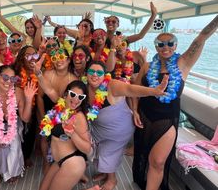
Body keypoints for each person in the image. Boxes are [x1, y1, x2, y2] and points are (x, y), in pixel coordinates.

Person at [132, 14, 218, 190]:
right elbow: (135, 89)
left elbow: (200, 38)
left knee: (157, 161)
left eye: (170, 43)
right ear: (156, 46)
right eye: (161, 44)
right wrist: (134, 111)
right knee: (145, 155)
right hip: (145, 117)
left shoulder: (183, 63)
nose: (166, 47)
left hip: (167, 121)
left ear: (176, 45)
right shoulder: (148, 66)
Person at [85, 61, 168, 190]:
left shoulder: (112, 85)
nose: (95, 75)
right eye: (91, 71)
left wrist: (154, 91)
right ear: (86, 74)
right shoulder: (85, 88)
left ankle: (112, 179)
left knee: (106, 152)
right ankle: (105, 172)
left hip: (119, 129)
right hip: (99, 129)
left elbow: (131, 89)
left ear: (105, 75)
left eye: (99, 72)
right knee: (98, 150)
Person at [0, 65, 37, 185]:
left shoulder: (18, 92)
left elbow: (25, 118)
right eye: (5, 77)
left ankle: (14, 172)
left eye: (13, 79)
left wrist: (29, 99)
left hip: (13, 125)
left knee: (14, 149)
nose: (9, 82)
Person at [37, 77, 92, 190]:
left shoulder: (79, 117)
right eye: (73, 94)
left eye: (81, 97)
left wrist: (72, 134)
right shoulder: (59, 107)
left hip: (72, 162)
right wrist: (38, 73)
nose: (76, 99)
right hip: (58, 161)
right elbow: (48, 89)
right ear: (66, 94)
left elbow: (87, 148)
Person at [36, 48, 77, 173]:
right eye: (55, 57)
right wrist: (43, 116)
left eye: (62, 57)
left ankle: (61, 160)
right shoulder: (47, 74)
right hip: (46, 109)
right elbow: (39, 97)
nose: (58, 60)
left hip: (64, 114)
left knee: (62, 138)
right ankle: (45, 161)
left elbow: (73, 104)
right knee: (43, 137)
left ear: (69, 60)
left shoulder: (74, 79)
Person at [14, 45, 41, 168]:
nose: (32, 58)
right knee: (19, 134)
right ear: (21, 59)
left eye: (35, 55)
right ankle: (17, 158)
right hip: (18, 108)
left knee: (30, 132)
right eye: (28, 56)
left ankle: (27, 156)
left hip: (35, 107)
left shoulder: (40, 72)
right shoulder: (16, 74)